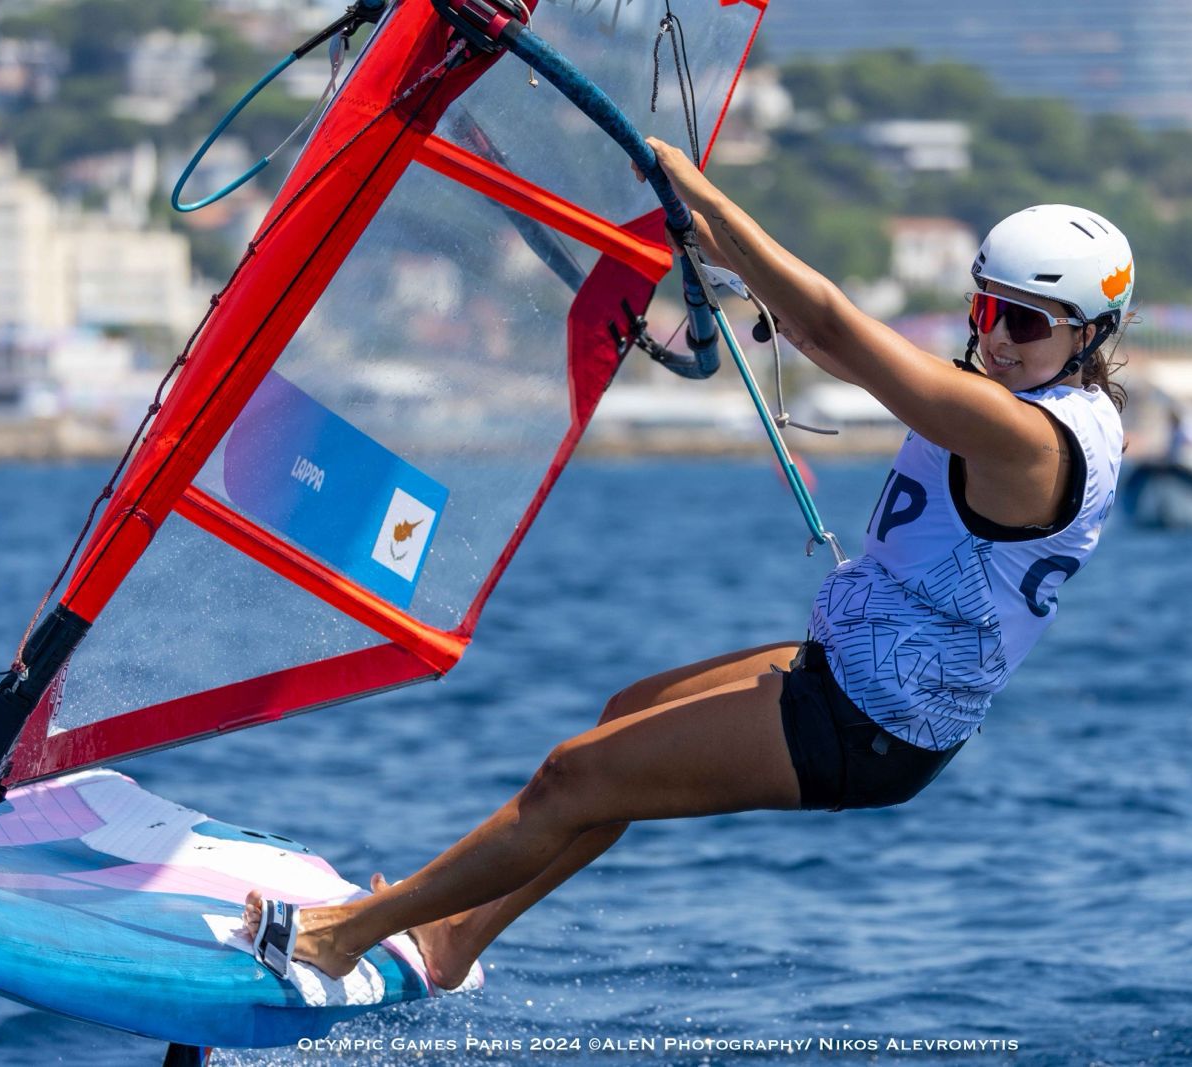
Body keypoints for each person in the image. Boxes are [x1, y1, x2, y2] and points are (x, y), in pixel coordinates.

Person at [244, 140, 1134, 985]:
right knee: (622, 718)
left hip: (869, 724)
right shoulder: (1040, 401)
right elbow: (822, 339)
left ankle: (340, 936)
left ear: (1091, 335)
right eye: (986, 309)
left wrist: (707, 196)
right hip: (856, 678)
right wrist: (711, 240)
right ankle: (450, 938)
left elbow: (835, 322)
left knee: (574, 775)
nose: (1000, 337)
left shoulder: (1026, 437)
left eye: (1026, 321)